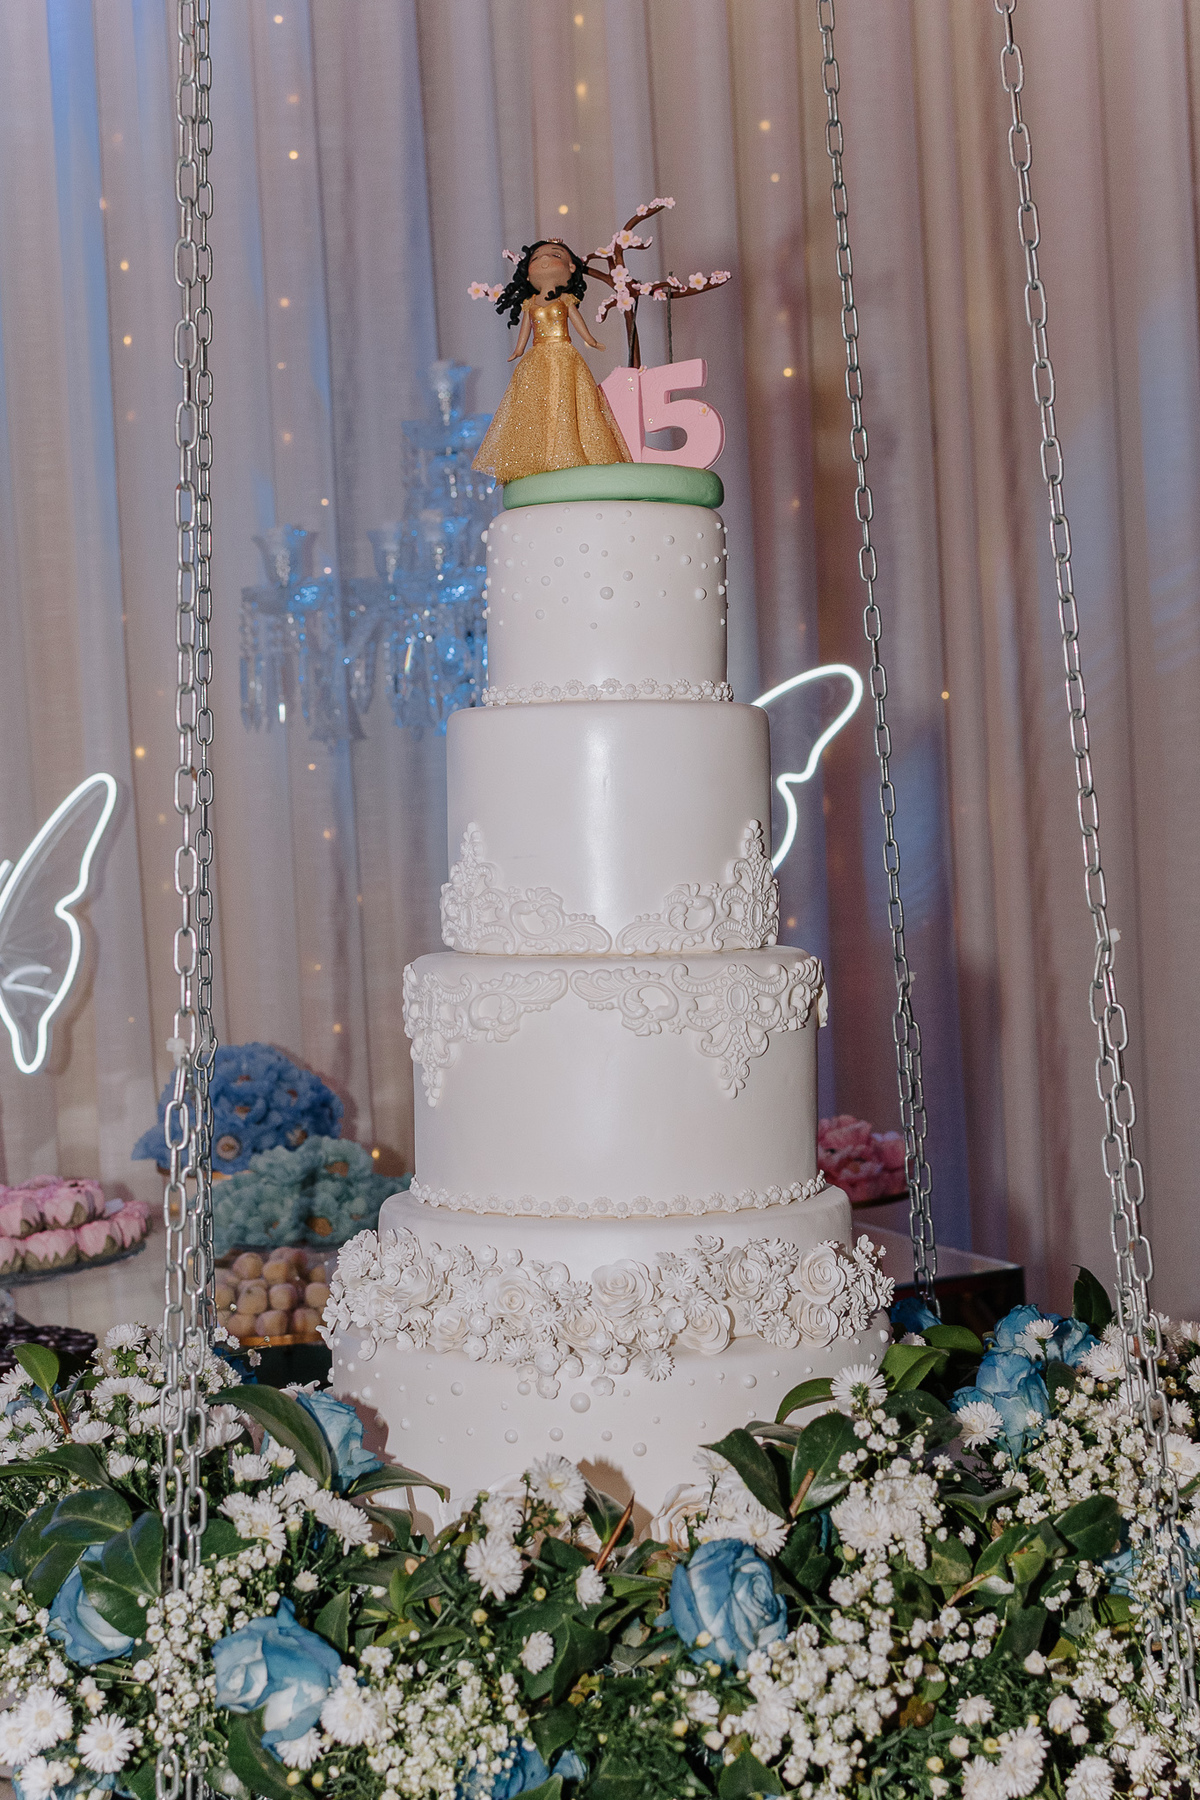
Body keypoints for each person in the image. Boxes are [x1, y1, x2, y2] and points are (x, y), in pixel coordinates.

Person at [472, 239, 633, 484]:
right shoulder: (530, 304)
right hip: (537, 357)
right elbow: (525, 331)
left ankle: (569, 453)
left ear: (571, 268)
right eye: (536, 258)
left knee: (568, 402)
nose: (545, 259)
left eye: (555, 255)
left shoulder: (565, 300)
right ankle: (541, 457)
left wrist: (591, 340)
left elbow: (578, 323)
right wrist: (518, 351)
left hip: (564, 355)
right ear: (527, 274)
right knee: (536, 404)